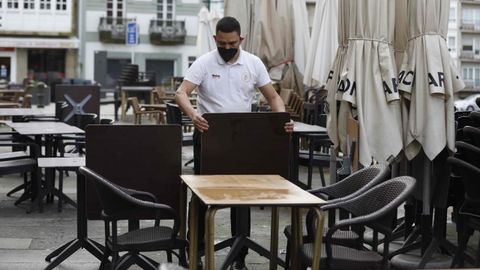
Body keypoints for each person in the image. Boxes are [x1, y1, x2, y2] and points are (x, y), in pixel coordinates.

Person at [175, 16, 293, 270]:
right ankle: (195, 249)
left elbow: (273, 97)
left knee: (243, 193)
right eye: (222, 43)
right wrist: (193, 114)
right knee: (201, 193)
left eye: (232, 44)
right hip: (209, 134)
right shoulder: (204, 63)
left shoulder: (253, 63)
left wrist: (281, 118)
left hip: (242, 137)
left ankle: (240, 253)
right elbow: (181, 92)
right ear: (215, 39)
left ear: (240, 40)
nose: (227, 48)